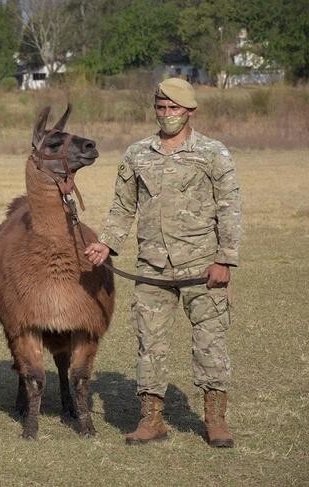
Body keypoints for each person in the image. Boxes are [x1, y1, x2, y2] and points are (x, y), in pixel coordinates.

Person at [85, 78, 241, 448]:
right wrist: (107, 243)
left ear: (190, 111)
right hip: (152, 269)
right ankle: (151, 420)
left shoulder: (213, 153)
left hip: (203, 268)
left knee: (210, 345)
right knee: (149, 345)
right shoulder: (137, 154)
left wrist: (225, 260)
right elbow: (124, 206)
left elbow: (229, 207)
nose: (167, 115)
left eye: (175, 109)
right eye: (161, 108)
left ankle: (215, 420)